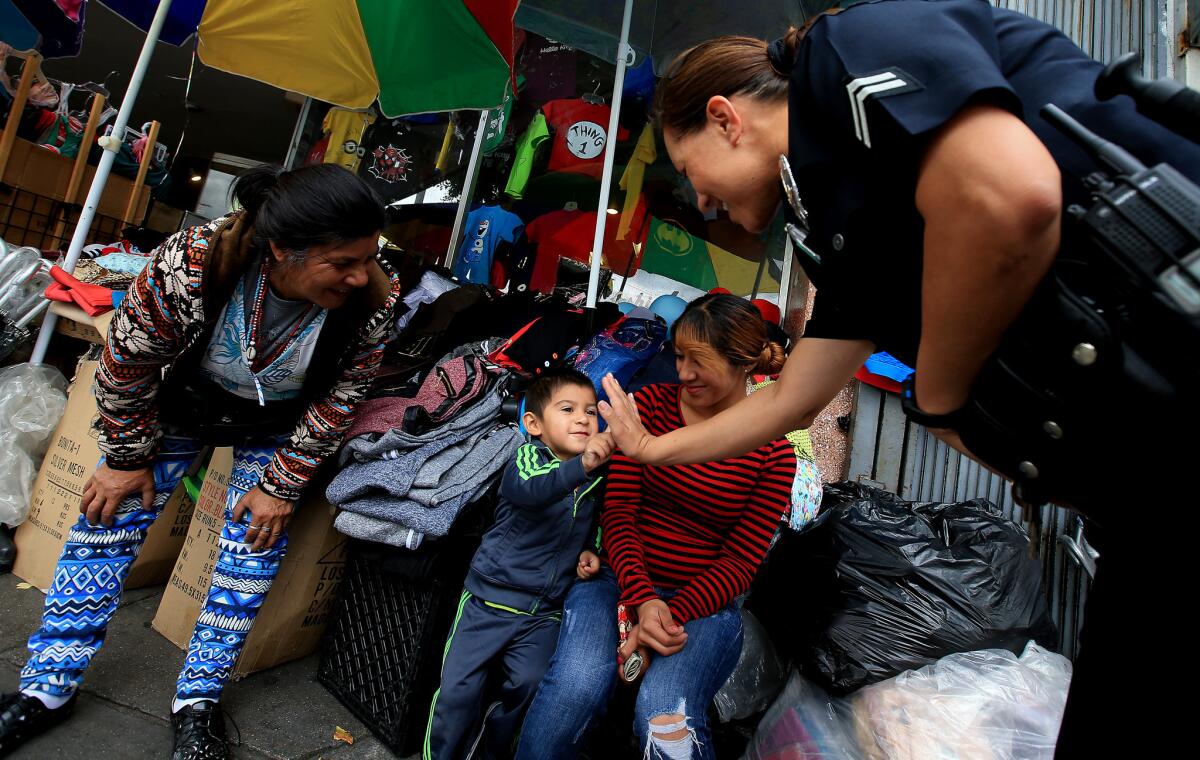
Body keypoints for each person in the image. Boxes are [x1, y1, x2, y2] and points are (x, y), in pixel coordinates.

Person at [595, 1, 1200, 755]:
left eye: (691, 175)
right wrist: (652, 451)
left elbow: (1009, 194)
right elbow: (792, 397)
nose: (705, 203)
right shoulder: (841, 232)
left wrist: (940, 399)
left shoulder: (850, 47)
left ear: (725, 119)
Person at [0, 164, 399, 760]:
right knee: (106, 520)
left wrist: (281, 487)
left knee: (254, 546)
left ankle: (198, 702)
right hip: (181, 403)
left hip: (276, 423)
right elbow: (127, 362)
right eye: (343, 260)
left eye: (368, 257)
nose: (359, 274)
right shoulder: (195, 262)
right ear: (283, 249)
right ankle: (48, 688)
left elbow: (342, 398)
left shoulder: (370, 299)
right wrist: (127, 457)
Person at [517, 295, 796, 760]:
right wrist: (644, 600)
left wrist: (667, 615)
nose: (682, 372)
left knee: (664, 714)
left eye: (699, 362)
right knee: (576, 686)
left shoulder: (774, 454)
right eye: (679, 355)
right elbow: (620, 515)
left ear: (743, 365)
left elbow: (741, 562)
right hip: (616, 582)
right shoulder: (644, 408)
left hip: (704, 608)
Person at [424, 369, 614, 760]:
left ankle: (488, 752)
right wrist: (582, 467)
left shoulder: (596, 478)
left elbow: (594, 523)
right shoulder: (528, 459)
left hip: (543, 613)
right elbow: (532, 492)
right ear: (534, 424)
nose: (583, 418)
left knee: (531, 687)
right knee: (459, 691)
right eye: (568, 409)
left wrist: (591, 551)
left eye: (591, 411)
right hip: (488, 602)